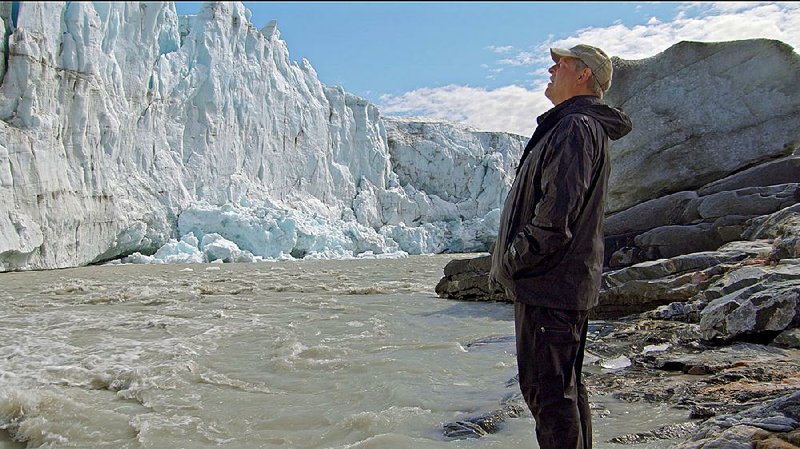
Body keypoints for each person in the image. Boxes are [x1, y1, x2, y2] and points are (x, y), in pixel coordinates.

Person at [488, 44, 632, 449]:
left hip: (550, 283)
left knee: (549, 396)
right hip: (561, 282)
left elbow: (556, 217)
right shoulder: (577, 126)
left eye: (561, 64)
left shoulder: (574, 128)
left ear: (584, 74)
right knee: (565, 389)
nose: (552, 69)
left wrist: (514, 262)